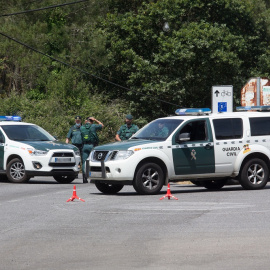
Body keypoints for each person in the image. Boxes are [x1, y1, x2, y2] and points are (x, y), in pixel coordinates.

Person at [80, 116, 104, 183]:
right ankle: (94, 177)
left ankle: (84, 178)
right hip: (92, 146)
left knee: (84, 162)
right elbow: (102, 125)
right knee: (94, 161)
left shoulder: (82, 127)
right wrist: (96, 119)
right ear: (92, 121)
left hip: (84, 146)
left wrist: (85, 122)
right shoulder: (93, 126)